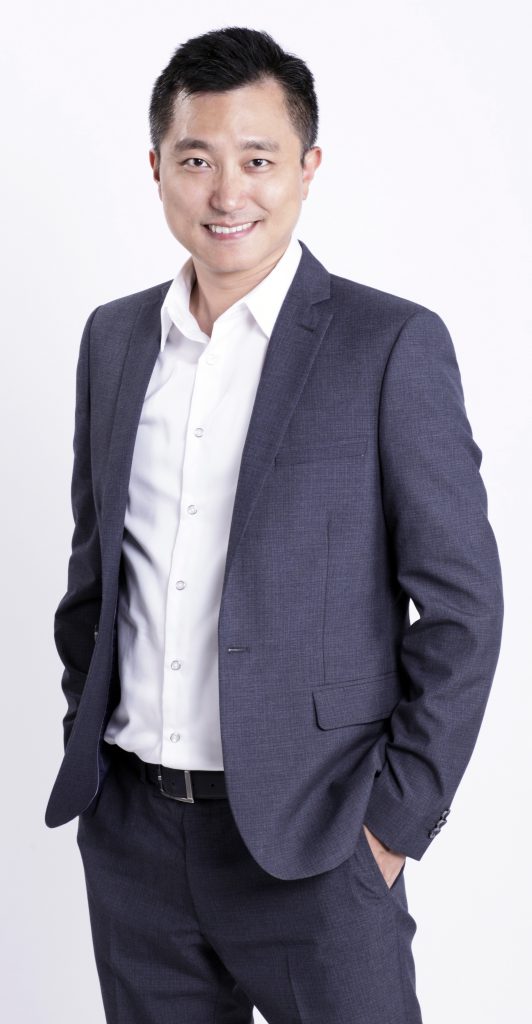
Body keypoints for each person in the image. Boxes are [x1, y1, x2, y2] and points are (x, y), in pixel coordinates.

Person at [44, 25, 504, 1024]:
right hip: (135, 845)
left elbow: (464, 607)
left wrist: (390, 825)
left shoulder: (389, 345)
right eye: (196, 159)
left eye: (257, 160)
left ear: (307, 168)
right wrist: (93, 747)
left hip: (321, 846)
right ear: (156, 167)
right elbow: (95, 579)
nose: (227, 193)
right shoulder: (114, 340)